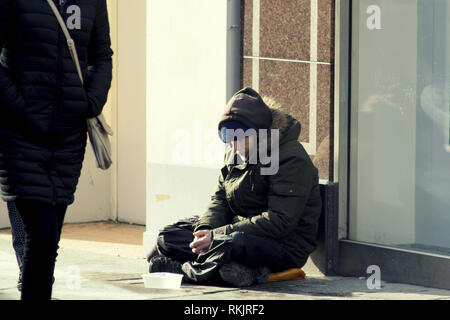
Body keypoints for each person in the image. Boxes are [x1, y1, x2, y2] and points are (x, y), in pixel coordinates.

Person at [148, 87, 322, 287]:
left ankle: (184, 271)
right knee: (168, 237)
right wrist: (205, 230)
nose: (234, 146)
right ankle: (233, 270)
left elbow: (279, 222)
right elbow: (219, 199)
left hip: (284, 245)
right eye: (227, 138)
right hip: (235, 232)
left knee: (232, 244)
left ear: (260, 133)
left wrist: (215, 237)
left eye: (240, 138)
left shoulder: (291, 159)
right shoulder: (235, 152)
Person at [0, 0, 113, 300]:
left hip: (67, 138)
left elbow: (101, 56)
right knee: (43, 237)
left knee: (49, 242)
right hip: (21, 135)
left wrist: (89, 102)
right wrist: (21, 107)